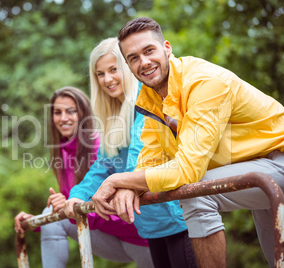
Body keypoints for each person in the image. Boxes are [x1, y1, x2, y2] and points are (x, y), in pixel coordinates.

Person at [91, 17, 284, 268]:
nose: (144, 62)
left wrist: (117, 180)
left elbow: (188, 169)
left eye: (149, 51)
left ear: (167, 48)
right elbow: (152, 156)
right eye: (133, 58)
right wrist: (131, 185)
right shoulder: (151, 98)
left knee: (196, 194)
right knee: (283, 261)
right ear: (128, 65)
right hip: (258, 168)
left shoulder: (204, 82)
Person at [63, 37, 197, 268]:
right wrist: (77, 195)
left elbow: (141, 151)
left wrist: (119, 183)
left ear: (127, 67)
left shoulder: (147, 99)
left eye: (113, 69)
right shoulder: (112, 116)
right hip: (149, 223)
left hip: (177, 215)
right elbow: (103, 166)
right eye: (100, 74)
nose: (107, 79)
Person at [14, 86, 153, 268]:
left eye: (70, 111)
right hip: (110, 239)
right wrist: (38, 221)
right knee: (48, 214)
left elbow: (122, 212)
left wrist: (75, 210)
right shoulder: (62, 152)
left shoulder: (100, 148)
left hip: (140, 238)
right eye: (57, 112)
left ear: (84, 114)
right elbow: (69, 211)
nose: (63, 118)